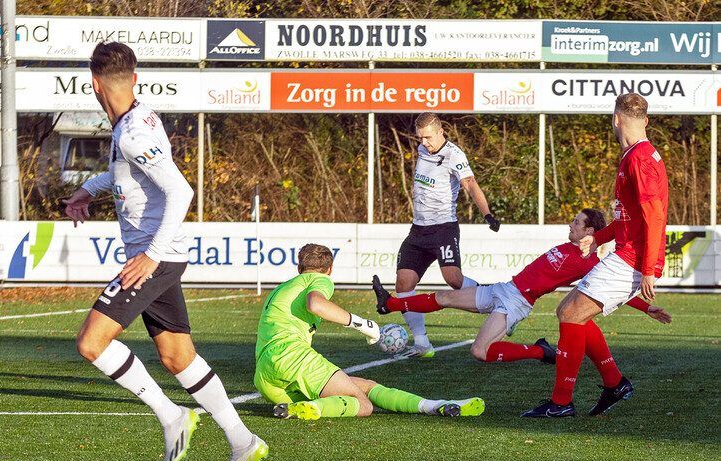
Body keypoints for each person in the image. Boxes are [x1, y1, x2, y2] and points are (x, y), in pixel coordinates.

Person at [62, 41, 266, 461]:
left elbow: (181, 192)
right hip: (162, 257)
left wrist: (150, 256)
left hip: (155, 258)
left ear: (94, 85)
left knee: (91, 344)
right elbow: (126, 173)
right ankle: (242, 439)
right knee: (177, 357)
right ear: (132, 79)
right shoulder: (139, 118)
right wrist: (89, 190)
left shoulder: (132, 132)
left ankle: (172, 415)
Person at [522, 93, 669, 418]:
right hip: (629, 254)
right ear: (644, 120)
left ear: (616, 119)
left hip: (632, 259)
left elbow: (654, 216)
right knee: (571, 311)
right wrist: (596, 236)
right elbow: (629, 219)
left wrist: (648, 269)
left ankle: (562, 403)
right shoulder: (637, 154)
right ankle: (614, 384)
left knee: (571, 313)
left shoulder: (639, 159)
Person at [373, 209, 671, 368]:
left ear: (590, 231)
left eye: (577, 222)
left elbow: (610, 291)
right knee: (446, 296)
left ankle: (539, 352)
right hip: (506, 288)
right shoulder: (569, 246)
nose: (571, 223)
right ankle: (390, 303)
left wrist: (648, 307)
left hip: (515, 303)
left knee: (480, 351)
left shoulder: (589, 262)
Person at [254, 243, 485, 420]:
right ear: (329, 269)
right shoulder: (318, 279)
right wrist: (362, 324)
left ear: (298, 267)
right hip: (293, 358)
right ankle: (314, 408)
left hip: (266, 376)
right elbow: (316, 304)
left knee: (364, 385)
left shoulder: (284, 287)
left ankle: (434, 405)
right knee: (363, 405)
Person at [394, 112, 500, 358]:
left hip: (443, 228)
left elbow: (471, 184)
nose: (424, 143)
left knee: (453, 278)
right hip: (418, 230)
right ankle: (422, 343)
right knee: (403, 283)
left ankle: (497, 301)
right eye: (420, 138)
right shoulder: (422, 150)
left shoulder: (454, 154)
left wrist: (487, 214)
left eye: (428, 138)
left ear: (441, 132)